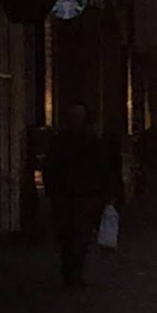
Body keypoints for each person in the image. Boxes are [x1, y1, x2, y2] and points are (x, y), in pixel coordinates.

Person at [44, 104, 112, 288]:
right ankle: (73, 270)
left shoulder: (61, 141)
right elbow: (102, 168)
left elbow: (50, 168)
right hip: (81, 195)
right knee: (77, 236)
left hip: (72, 195)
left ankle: (70, 269)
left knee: (71, 235)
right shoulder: (90, 141)